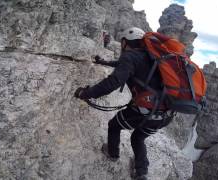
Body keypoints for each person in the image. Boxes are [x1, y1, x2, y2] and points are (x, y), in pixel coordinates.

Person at [74, 27, 175, 180]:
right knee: (138, 138)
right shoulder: (152, 58)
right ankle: (141, 172)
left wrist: (87, 93)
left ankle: (112, 153)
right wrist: (104, 62)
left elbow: (114, 81)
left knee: (114, 125)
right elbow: (125, 65)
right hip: (166, 114)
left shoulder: (130, 56)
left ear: (124, 42)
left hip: (145, 111)